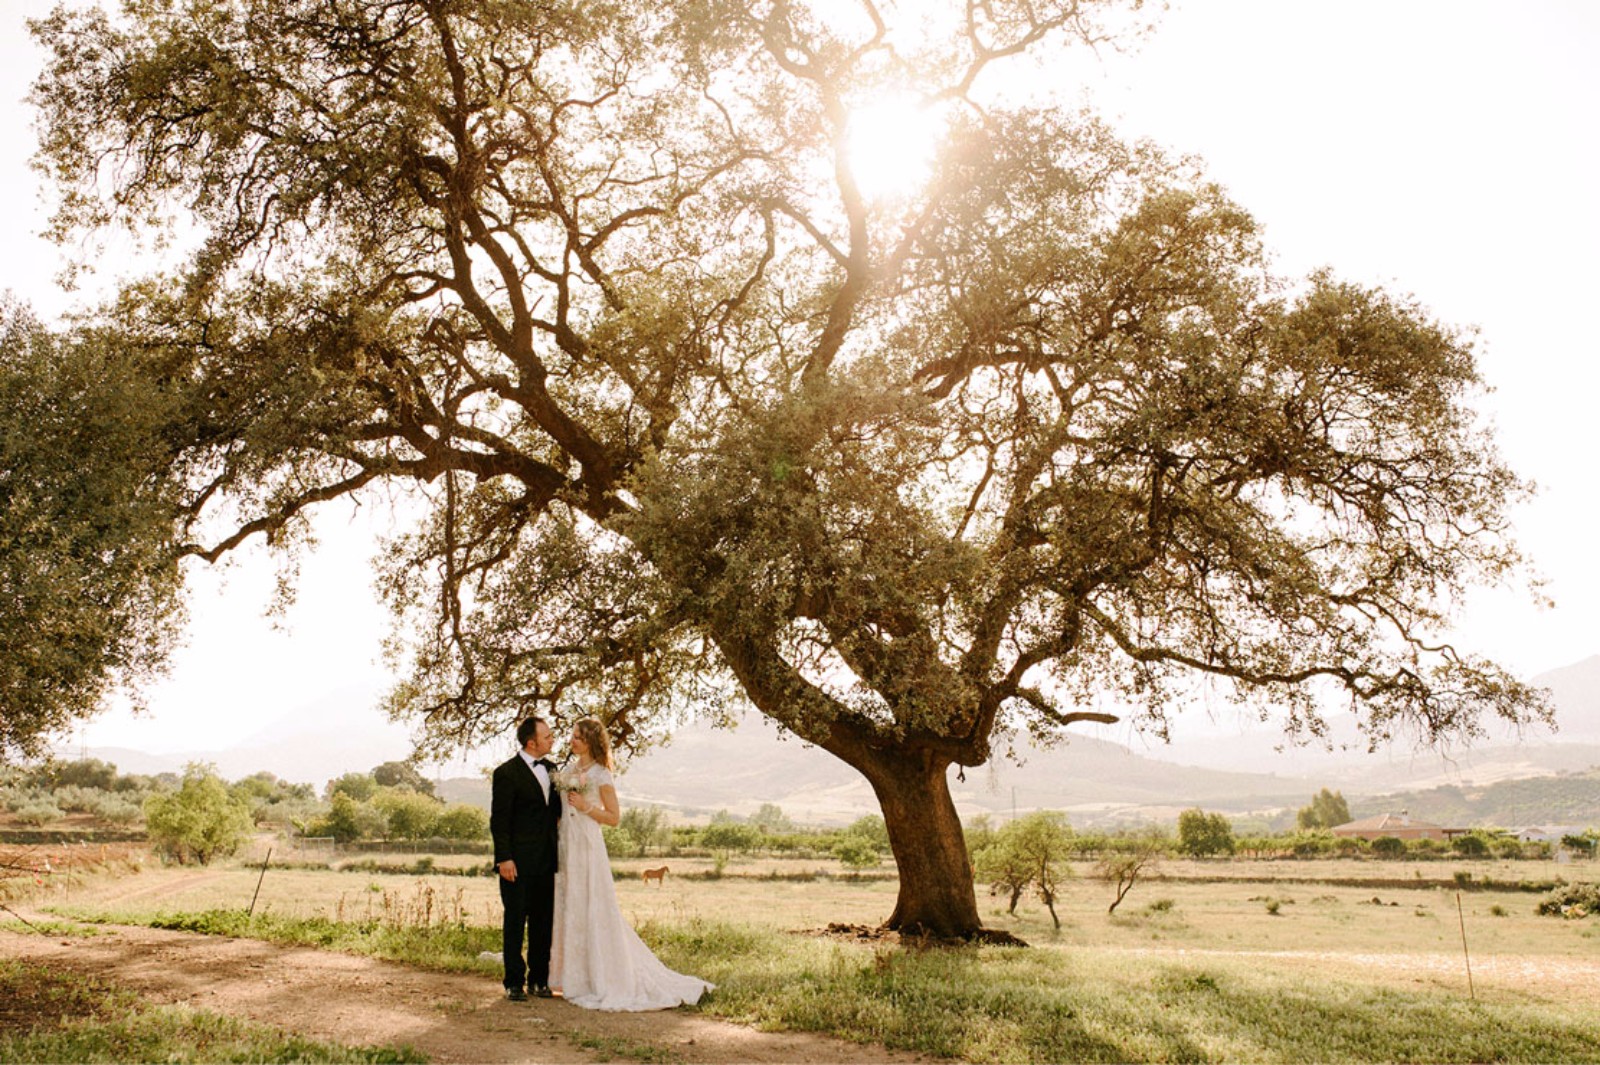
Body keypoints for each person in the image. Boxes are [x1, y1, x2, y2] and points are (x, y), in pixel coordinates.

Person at [551, 716, 713, 1011]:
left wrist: (587, 807)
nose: (571, 740)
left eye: (577, 737)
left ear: (589, 741)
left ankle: (602, 977)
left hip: (588, 844)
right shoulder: (567, 771)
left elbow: (614, 818)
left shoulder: (601, 775)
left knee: (594, 905)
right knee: (569, 904)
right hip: (567, 844)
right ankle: (571, 977)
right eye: (571, 735)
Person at [490, 716, 561, 1001]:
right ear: (531, 742)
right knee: (516, 922)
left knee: (543, 922)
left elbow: (555, 815)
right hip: (516, 863)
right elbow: (500, 819)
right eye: (547, 736)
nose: (552, 739)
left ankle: (539, 980)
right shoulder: (506, 773)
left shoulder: (553, 769)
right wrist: (504, 858)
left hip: (546, 860)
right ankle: (514, 982)